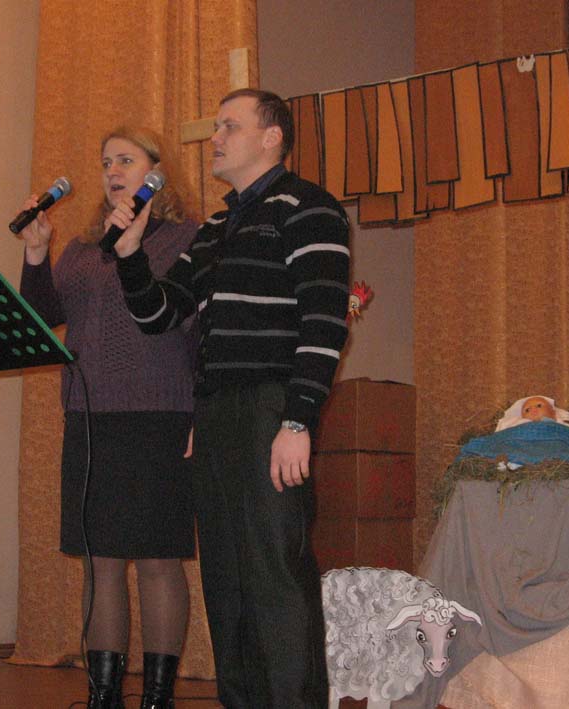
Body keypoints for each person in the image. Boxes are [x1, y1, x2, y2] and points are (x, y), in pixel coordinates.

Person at [111, 89, 350, 708]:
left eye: (229, 126)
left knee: (275, 573)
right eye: (216, 126)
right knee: (226, 578)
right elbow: (161, 314)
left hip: (273, 406)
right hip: (216, 412)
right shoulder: (217, 228)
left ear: (272, 137)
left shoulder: (310, 208)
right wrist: (130, 255)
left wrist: (298, 420)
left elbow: (324, 323)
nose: (214, 138)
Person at [17, 127, 197, 709]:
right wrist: (37, 253)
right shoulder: (83, 247)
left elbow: (195, 328)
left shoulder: (185, 239)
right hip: (91, 416)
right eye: (105, 163)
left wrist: (203, 412)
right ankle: (103, 695)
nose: (112, 171)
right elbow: (42, 318)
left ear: (156, 172)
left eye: (126, 160)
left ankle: (158, 698)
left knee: (158, 560)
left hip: (158, 415)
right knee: (101, 563)